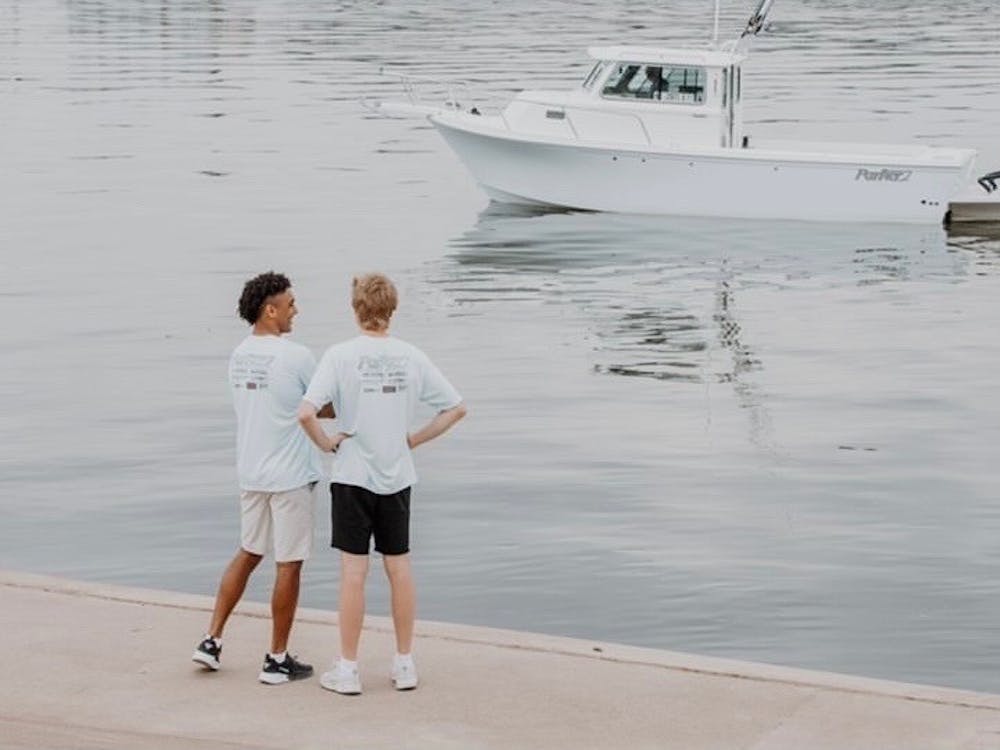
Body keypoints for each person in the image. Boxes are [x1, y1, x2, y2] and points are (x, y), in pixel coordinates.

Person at [297, 273, 467, 695]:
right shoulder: (411, 356)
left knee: (354, 572)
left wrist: (327, 444)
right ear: (391, 309)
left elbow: (305, 412)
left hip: (353, 475)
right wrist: (412, 440)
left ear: (356, 309)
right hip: (397, 475)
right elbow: (456, 408)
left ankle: (349, 669)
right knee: (399, 566)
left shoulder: (340, 355)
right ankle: (405, 663)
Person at [191, 271, 324, 685]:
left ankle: (211, 640)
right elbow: (321, 406)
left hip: (251, 469)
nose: (295, 310)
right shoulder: (296, 355)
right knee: (289, 563)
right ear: (270, 310)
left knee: (249, 551)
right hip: (289, 476)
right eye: (290, 304)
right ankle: (277, 658)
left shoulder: (238, 355)